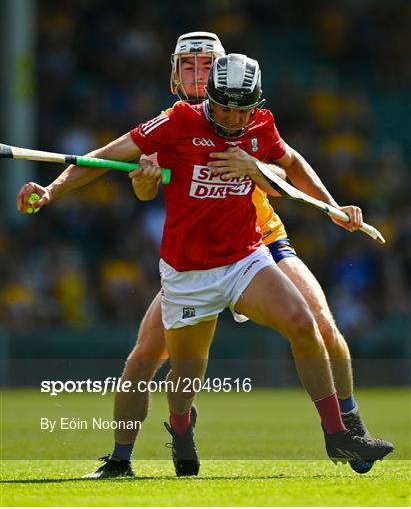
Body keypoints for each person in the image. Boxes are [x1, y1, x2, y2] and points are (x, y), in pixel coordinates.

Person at [16, 40, 391, 478]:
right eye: (224, 108)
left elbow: (284, 169)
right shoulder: (175, 123)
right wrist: (54, 191)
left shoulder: (258, 125)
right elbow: (102, 160)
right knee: (181, 376)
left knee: (306, 322)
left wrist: (326, 202)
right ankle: (167, 434)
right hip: (190, 271)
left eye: (242, 110)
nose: (234, 120)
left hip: (248, 253)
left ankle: (341, 434)